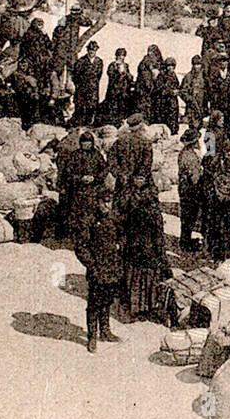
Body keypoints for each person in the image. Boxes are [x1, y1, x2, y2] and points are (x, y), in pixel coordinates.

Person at [116, 133, 168, 323]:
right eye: (136, 178)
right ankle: (133, 309)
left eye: (142, 178)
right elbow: (119, 217)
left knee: (149, 278)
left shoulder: (151, 197)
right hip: (132, 243)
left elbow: (157, 222)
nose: (139, 181)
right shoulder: (126, 195)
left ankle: (148, 308)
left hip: (149, 244)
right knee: (133, 278)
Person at [76, 193, 123, 353]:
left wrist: (119, 245)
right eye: (103, 202)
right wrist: (91, 264)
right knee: (94, 304)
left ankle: (105, 331)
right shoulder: (88, 221)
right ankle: (92, 337)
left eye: (109, 202)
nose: (106, 206)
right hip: (97, 267)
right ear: (97, 202)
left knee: (108, 300)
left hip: (112, 266)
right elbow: (81, 247)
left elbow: (122, 235)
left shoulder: (113, 217)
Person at [59, 130, 108, 240]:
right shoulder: (75, 155)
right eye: (84, 143)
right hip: (78, 189)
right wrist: (80, 178)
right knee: (77, 213)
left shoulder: (97, 155)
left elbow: (104, 169)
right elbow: (68, 172)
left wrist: (95, 177)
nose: (86, 145)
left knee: (95, 211)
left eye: (89, 143)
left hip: (94, 188)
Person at [177, 128, 204, 251]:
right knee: (190, 215)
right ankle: (186, 243)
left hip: (183, 187)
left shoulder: (184, 153)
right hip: (190, 189)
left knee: (186, 215)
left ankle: (185, 239)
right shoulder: (191, 157)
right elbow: (195, 178)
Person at [99, 48, 134, 127]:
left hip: (123, 91)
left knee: (122, 107)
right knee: (112, 107)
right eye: (120, 55)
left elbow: (129, 77)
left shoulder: (126, 65)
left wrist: (125, 74)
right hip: (114, 91)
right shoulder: (112, 65)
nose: (121, 57)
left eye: (123, 56)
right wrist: (118, 72)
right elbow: (110, 75)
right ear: (116, 56)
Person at [71, 41, 103, 127]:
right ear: (87, 50)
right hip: (82, 89)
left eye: (94, 50)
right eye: (90, 50)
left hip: (93, 89)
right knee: (81, 108)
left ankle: (89, 125)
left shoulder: (99, 61)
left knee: (92, 107)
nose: (92, 52)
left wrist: (93, 84)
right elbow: (75, 76)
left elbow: (98, 75)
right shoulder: (81, 61)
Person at [151, 59, 181, 135]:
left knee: (174, 116)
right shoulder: (162, 75)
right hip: (164, 101)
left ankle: (173, 131)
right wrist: (170, 91)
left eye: (172, 66)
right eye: (168, 66)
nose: (170, 68)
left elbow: (177, 85)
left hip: (173, 100)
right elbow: (160, 88)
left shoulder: (173, 75)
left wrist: (177, 90)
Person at [179, 54, 206, 125]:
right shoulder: (188, 77)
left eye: (198, 64)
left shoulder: (205, 76)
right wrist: (190, 99)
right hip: (191, 109)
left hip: (202, 108)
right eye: (194, 64)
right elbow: (182, 92)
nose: (196, 66)